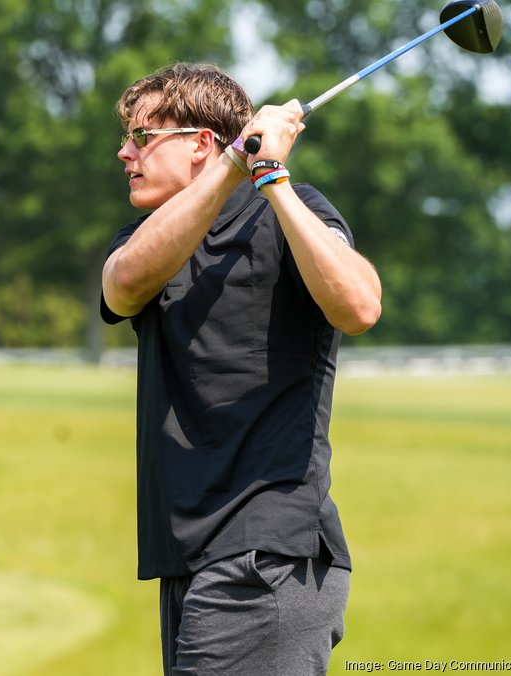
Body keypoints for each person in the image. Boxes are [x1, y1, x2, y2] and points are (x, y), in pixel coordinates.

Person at [100, 62, 382, 675]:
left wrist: (271, 178)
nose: (125, 152)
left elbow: (359, 305)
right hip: (187, 555)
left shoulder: (294, 209)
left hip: (267, 552)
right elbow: (123, 286)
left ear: (201, 143)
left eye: (143, 137)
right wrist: (234, 163)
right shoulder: (148, 239)